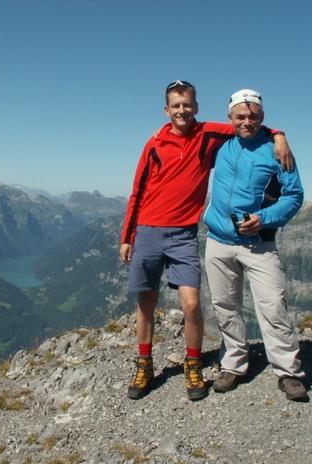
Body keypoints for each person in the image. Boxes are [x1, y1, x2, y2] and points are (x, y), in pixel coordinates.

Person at [120, 81, 294, 401]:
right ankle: (144, 363)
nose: (182, 110)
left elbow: (247, 125)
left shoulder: (210, 134)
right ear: (167, 110)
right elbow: (138, 189)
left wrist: (279, 135)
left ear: (196, 107)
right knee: (146, 303)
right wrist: (127, 236)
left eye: (187, 104)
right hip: (147, 230)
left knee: (191, 304)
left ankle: (193, 363)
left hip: (184, 233)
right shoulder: (155, 144)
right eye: (176, 105)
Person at [203, 88, 308, 402]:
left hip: (259, 243)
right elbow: (190, 128)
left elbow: (294, 196)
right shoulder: (220, 145)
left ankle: (289, 372)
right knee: (225, 306)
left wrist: (263, 219)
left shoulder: (277, 152)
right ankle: (234, 363)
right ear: (230, 119)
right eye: (241, 116)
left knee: (273, 307)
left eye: (254, 116)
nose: (247, 121)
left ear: (262, 117)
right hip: (218, 241)